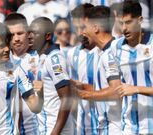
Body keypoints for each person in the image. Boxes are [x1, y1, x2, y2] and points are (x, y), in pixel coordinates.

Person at [75, 6, 122, 134]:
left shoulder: (111, 53)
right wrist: (77, 86)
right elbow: (104, 87)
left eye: (85, 27)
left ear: (95, 28)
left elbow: (117, 91)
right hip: (105, 126)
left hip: (115, 127)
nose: (83, 32)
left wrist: (83, 95)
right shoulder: (100, 53)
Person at [111, 1, 153, 134]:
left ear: (140, 20)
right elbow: (116, 86)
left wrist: (136, 89)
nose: (124, 28)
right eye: (121, 23)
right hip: (128, 127)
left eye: (128, 22)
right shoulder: (116, 47)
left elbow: (131, 89)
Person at [30, 17, 73, 135]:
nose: (30, 36)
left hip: (57, 131)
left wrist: (55, 133)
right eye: (29, 32)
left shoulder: (54, 59)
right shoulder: (42, 58)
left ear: (47, 36)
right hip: (46, 129)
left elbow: (66, 98)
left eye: (35, 33)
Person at [4, 13, 41, 135]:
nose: (16, 39)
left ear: (29, 33)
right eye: (11, 35)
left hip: (42, 129)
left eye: (20, 33)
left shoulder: (41, 58)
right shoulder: (2, 63)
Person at [67, 3, 99, 135]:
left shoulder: (110, 51)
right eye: (76, 28)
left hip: (111, 125)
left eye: (83, 27)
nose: (80, 33)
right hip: (83, 127)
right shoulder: (72, 54)